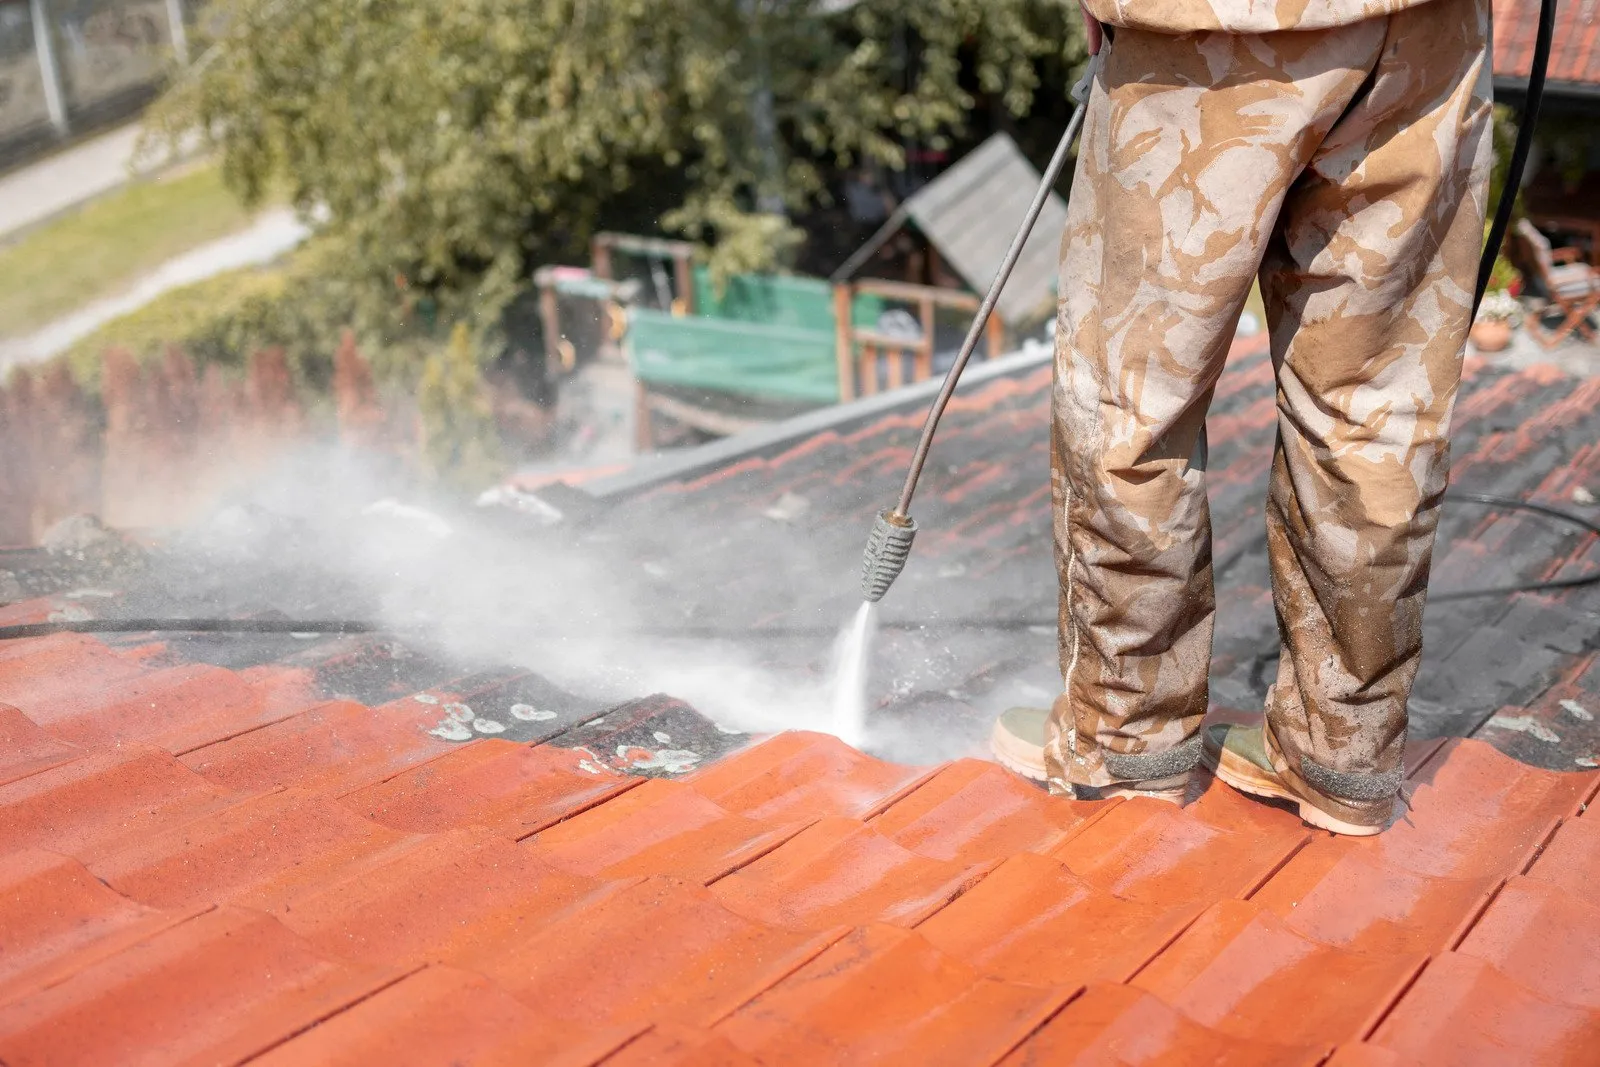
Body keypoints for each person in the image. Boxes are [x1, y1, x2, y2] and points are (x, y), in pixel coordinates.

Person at [990, 0, 1494, 835]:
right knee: (1375, 403)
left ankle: (1126, 738)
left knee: (1132, 396)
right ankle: (1342, 752)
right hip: (1428, 30)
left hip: (1217, 25)